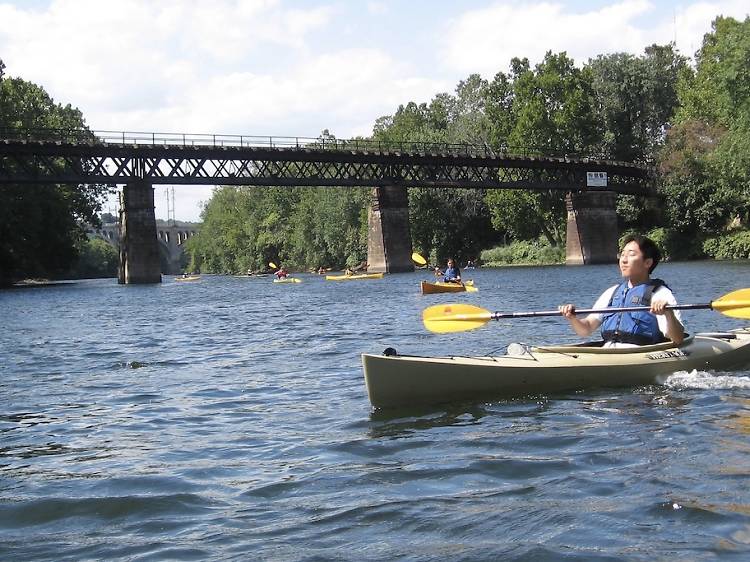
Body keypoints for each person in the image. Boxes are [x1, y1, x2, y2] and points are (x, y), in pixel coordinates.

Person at [558, 234, 685, 347]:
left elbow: (678, 339)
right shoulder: (612, 292)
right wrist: (572, 318)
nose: (623, 260)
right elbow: (586, 329)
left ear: (648, 262)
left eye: (631, 255)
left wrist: (668, 313)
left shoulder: (660, 293)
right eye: (622, 254)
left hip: (640, 353)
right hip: (610, 351)